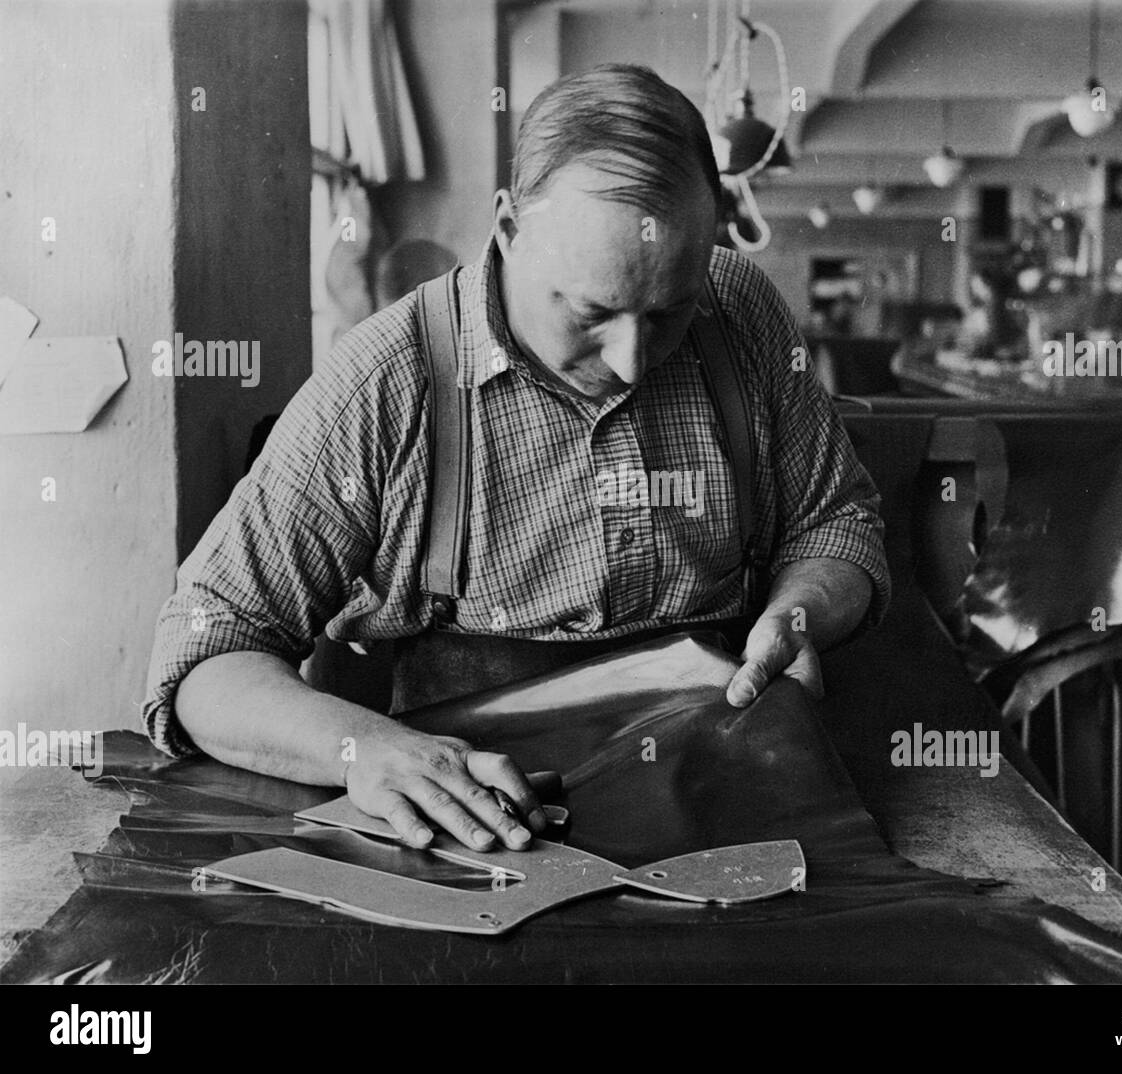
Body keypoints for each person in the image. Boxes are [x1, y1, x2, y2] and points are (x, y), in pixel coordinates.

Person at [142, 64, 889, 856]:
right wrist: (364, 750)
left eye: (668, 311)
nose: (633, 361)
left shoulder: (739, 309)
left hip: (717, 794)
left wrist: (798, 613)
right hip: (475, 830)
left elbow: (835, 522)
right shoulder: (385, 380)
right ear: (508, 229)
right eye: (592, 311)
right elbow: (207, 653)